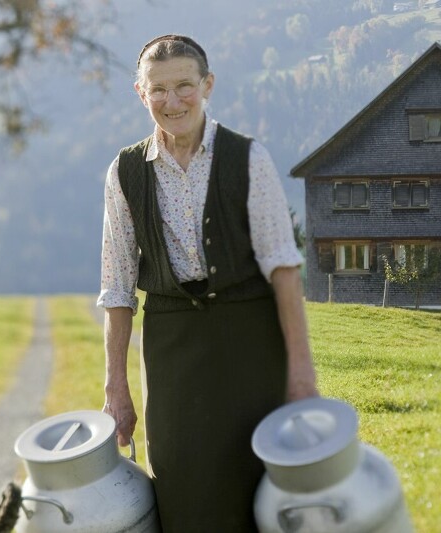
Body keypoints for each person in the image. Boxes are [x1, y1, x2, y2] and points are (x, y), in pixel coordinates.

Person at [97, 34, 319, 532]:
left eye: (183, 87)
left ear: (208, 85)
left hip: (251, 340)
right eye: (158, 90)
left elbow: (283, 269)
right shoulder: (126, 171)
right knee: (180, 478)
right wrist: (116, 387)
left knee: (261, 480)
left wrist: (301, 374)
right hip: (173, 345)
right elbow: (116, 286)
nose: (171, 102)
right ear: (141, 93)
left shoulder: (248, 159)